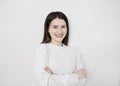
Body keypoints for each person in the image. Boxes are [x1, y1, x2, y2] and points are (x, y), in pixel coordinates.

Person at [33, 11, 87, 86]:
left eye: (63, 27)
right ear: (48, 29)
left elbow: (83, 80)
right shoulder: (43, 49)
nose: (60, 31)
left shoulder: (74, 51)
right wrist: (75, 76)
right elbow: (42, 81)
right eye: (55, 27)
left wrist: (53, 76)